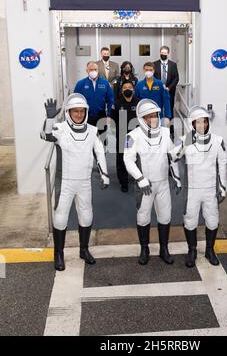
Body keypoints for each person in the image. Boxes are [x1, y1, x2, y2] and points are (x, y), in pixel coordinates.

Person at [40, 94, 109, 271]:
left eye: (81, 111)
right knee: (60, 217)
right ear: (69, 112)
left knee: (86, 216)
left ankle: (84, 250)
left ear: (86, 112)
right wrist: (49, 118)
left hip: (84, 181)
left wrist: (105, 174)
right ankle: (58, 254)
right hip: (65, 182)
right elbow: (45, 135)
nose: (78, 114)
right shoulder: (60, 128)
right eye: (75, 111)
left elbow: (99, 151)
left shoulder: (93, 130)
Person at [123, 99, 181, 265]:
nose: (153, 118)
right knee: (143, 217)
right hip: (145, 187)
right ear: (142, 118)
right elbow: (128, 160)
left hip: (163, 183)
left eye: (155, 115)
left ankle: (164, 248)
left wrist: (176, 178)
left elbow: (172, 157)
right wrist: (140, 179)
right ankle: (144, 249)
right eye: (149, 116)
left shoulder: (165, 132)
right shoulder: (131, 136)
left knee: (165, 216)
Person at [170, 106, 227, 267]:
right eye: (198, 123)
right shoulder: (186, 139)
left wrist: (222, 188)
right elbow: (172, 157)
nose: (202, 125)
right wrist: (177, 179)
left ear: (208, 123)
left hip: (210, 189)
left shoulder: (217, 140)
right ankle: (192, 250)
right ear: (192, 124)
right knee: (190, 221)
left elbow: (222, 164)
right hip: (192, 190)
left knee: (213, 221)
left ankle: (210, 250)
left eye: (204, 122)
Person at [110, 79, 140, 192]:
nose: (128, 89)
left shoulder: (138, 103)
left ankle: (138, 177)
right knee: (121, 159)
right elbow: (112, 120)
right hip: (122, 135)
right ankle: (124, 182)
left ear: (134, 89)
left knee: (137, 157)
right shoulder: (117, 104)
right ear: (122, 91)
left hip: (137, 136)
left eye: (130, 88)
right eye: (125, 88)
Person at [74, 61, 114, 142]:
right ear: (87, 71)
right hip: (86, 117)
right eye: (91, 69)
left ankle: (102, 154)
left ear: (98, 70)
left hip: (101, 116)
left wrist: (109, 115)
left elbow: (110, 100)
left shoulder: (105, 83)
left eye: (95, 69)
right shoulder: (80, 84)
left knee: (103, 140)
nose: (93, 71)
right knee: (87, 140)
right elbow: (76, 100)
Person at [154, 46, 179, 119]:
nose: (163, 55)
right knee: (158, 108)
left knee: (170, 109)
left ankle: (170, 127)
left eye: (165, 53)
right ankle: (158, 126)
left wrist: (169, 87)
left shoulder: (173, 64)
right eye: (162, 53)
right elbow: (153, 77)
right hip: (158, 90)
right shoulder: (155, 64)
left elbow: (176, 78)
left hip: (169, 91)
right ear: (159, 53)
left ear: (168, 53)